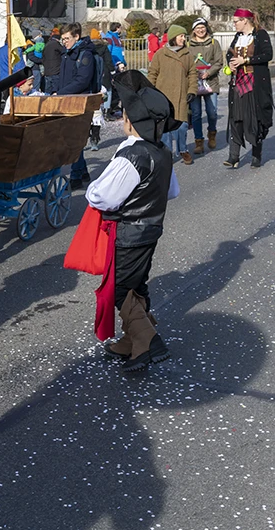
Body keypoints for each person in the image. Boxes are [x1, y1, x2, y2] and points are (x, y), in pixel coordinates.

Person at [87, 70, 179, 372]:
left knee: (121, 288)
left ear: (130, 121)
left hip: (127, 231)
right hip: (151, 228)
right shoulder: (162, 152)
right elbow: (173, 191)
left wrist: (92, 189)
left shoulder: (133, 155)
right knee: (137, 284)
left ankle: (147, 341)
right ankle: (132, 338)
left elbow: (103, 197)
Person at [224, 9, 275, 169]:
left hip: (254, 83)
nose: (234, 24)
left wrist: (246, 60)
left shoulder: (261, 35)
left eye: (236, 21)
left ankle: (256, 155)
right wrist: (231, 63)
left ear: (245, 20)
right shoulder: (238, 37)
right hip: (238, 82)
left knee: (254, 118)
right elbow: (229, 53)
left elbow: (268, 55)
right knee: (236, 118)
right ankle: (233, 157)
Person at [147, 24, 197, 164]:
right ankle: (166, 152)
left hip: (181, 96)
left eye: (184, 36)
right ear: (173, 37)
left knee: (182, 126)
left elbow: (193, 74)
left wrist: (192, 90)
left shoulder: (187, 54)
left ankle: (183, 150)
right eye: (181, 36)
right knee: (165, 127)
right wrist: (149, 91)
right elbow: (153, 73)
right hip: (163, 96)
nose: (183, 38)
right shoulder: (160, 54)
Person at [58, 22, 99, 189]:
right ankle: (82, 171)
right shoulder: (68, 53)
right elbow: (63, 77)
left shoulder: (85, 55)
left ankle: (76, 176)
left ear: (76, 37)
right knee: (73, 138)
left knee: (74, 139)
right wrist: (56, 90)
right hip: (68, 100)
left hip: (80, 101)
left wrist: (62, 93)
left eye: (67, 38)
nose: (64, 42)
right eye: (62, 39)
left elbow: (82, 80)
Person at [187, 17, 224, 155]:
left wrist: (209, 72)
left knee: (212, 112)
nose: (200, 30)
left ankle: (212, 133)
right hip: (194, 82)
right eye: (197, 28)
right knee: (196, 114)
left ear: (206, 28)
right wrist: (193, 73)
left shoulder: (214, 43)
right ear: (193, 30)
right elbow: (186, 61)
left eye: (202, 27)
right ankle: (198, 141)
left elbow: (219, 61)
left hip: (210, 82)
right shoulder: (188, 44)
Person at [41, 28, 64, 95]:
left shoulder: (46, 45)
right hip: (56, 71)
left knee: (47, 93)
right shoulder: (57, 45)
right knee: (56, 92)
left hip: (47, 72)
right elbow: (64, 53)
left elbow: (43, 59)